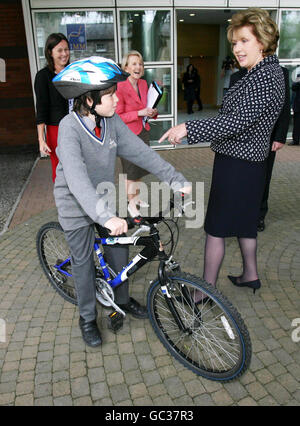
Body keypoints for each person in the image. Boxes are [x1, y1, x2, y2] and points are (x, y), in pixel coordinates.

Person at [52, 56, 190, 347]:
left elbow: (141, 152)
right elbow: (76, 180)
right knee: (83, 264)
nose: (117, 98)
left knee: (118, 252)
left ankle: (122, 300)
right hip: (74, 205)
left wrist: (174, 177)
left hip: (101, 199)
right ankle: (87, 318)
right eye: (110, 94)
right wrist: (106, 217)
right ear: (89, 99)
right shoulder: (69, 128)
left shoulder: (111, 122)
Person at [159, 8, 285, 295]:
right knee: (245, 223)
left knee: (216, 227)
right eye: (234, 43)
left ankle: (204, 291)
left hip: (239, 164)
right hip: (249, 163)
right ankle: (250, 274)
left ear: (262, 41)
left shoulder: (265, 77)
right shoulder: (262, 72)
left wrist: (190, 129)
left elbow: (236, 121)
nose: (237, 49)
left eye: (244, 41)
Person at [229, 65, 290, 232]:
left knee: (263, 177)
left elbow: (284, 106)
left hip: (268, 137)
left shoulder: (280, 73)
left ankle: (258, 215)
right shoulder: (236, 77)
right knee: (240, 178)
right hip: (241, 139)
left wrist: (280, 136)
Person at [116, 51, 158, 213]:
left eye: (140, 64)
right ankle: (130, 203)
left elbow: (147, 106)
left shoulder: (143, 84)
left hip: (142, 131)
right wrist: (139, 113)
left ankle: (137, 197)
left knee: (140, 168)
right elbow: (118, 116)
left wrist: (152, 112)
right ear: (126, 67)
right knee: (131, 170)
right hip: (127, 135)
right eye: (133, 64)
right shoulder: (120, 86)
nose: (138, 67)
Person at [34, 33, 70, 182]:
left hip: (77, 125)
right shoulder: (43, 76)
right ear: (50, 52)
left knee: (78, 165)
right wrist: (41, 140)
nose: (64, 54)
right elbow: (41, 110)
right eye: (60, 50)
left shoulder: (73, 72)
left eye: (66, 50)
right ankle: (63, 202)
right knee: (60, 167)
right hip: (56, 129)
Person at [289, 71, 300, 146]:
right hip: (298, 105)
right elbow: (293, 87)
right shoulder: (299, 76)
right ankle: (295, 140)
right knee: (297, 124)